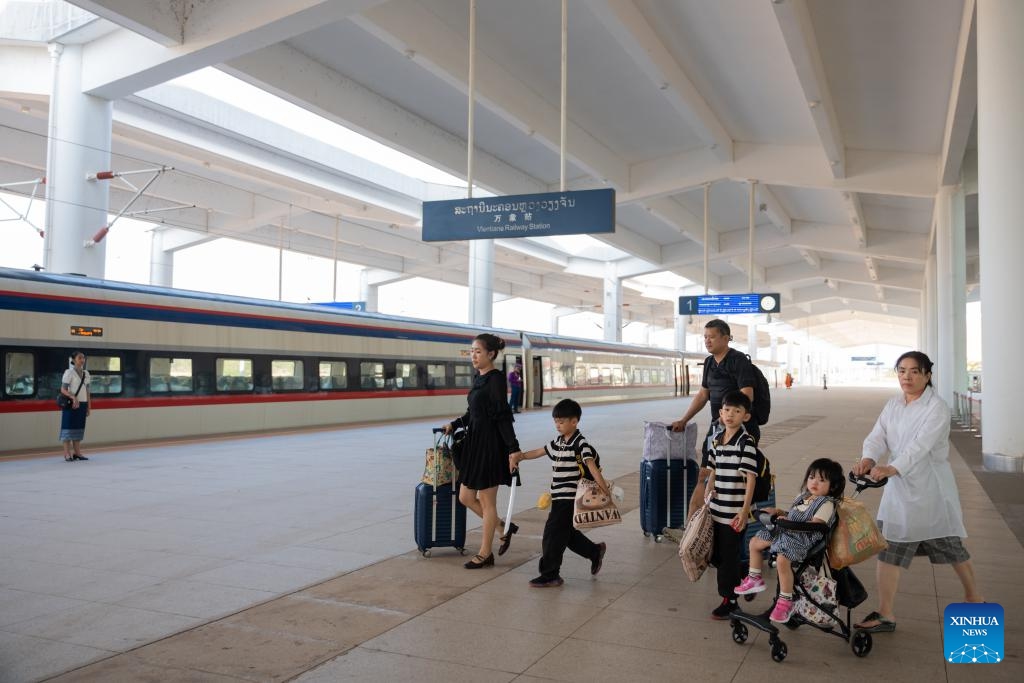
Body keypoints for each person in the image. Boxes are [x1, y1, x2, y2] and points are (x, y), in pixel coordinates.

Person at [851, 351, 984, 632]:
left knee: (951, 548)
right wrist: (869, 458)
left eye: (914, 371)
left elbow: (921, 447)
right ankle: (886, 614)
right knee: (889, 549)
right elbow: (878, 435)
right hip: (899, 493)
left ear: (927, 375)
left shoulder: (936, 408)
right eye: (901, 371)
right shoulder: (893, 404)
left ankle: (974, 598)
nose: (907, 377)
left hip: (930, 491)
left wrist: (893, 467)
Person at [510, 399, 608, 587]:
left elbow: (592, 467)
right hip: (558, 496)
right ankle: (594, 551)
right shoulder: (559, 442)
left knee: (552, 534)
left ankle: (550, 574)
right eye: (556, 421)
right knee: (566, 534)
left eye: (561, 421)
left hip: (569, 497)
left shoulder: (581, 444)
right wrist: (520, 456)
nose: (557, 425)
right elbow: (540, 451)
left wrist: (604, 491)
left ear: (574, 421)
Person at [444, 333, 522, 569]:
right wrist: (455, 424)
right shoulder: (480, 378)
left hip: (490, 447)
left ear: (491, 354)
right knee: (466, 497)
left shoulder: (496, 380)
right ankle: (501, 526)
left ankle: (485, 553)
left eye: (478, 351)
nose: (473, 356)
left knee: (488, 503)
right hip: (474, 445)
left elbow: (501, 416)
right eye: (471, 351)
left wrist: (513, 449)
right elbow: (473, 413)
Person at [735, 458, 845, 624]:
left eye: (821, 480)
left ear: (833, 486)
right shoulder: (803, 496)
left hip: (803, 539)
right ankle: (754, 577)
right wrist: (777, 512)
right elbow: (792, 514)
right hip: (786, 531)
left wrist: (788, 522)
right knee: (755, 542)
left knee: (782, 559)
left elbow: (816, 524)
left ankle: (785, 600)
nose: (814, 482)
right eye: (811, 477)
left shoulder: (826, 504)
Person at [671, 319, 760, 514]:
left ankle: (733, 517)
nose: (707, 341)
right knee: (704, 472)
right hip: (718, 429)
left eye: (712, 337)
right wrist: (684, 420)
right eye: (705, 337)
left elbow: (747, 395)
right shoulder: (710, 362)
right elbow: (704, 394)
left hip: (740, 431)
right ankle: (695, 527)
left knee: (733, 479)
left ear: (726, 338)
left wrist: (729, 417)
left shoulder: (738, 360)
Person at [703, 390, 759, 619]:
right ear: (720, 412)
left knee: (726, 558)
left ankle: (730, 600)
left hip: (735, 513)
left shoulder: (746, 443)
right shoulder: (717, 440)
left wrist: (745, 511)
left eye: (737, 411)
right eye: (727, 410)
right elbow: (713, 470)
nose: (730, 415)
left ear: (745, 417)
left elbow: (751, 478)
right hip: (717, 509)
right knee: (716, 556)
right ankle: (746, 575)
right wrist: (708, 492)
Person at [59, 351, 92, 462]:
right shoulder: (69, 373)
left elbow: (87, 391)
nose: (82, 360)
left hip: (82, 404)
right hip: (71, 404)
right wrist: (72, 397)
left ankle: (77, 453)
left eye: (83, 358)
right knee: (67, 429)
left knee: (79, 429)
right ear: (73, 360)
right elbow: (63, 389)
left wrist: (88, 406)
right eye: (79, 358)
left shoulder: (86, 373)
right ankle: (67, 454)